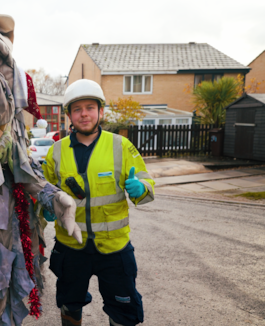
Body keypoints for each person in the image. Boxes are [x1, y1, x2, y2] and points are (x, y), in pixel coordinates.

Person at [42, 79, 155, 326]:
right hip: (71, 248)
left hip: (114, 249)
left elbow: (147, 187)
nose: (84, 114)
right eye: (77, 109)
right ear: (69, 115)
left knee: (123, 311)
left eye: (90, 107)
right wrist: (47, 208)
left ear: (100, 111)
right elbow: (46, 191)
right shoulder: (56, 152)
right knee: (70, 305)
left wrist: (140, 189)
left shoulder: (120, 145)